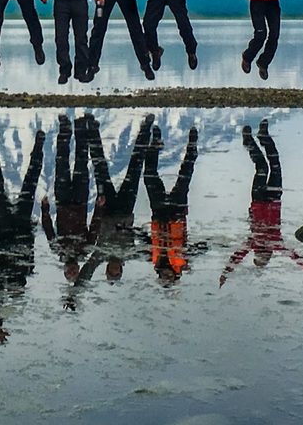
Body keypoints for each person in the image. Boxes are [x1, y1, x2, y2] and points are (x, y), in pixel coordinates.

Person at [219, 120, 303, 285]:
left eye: (262, 256)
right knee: (268, 166)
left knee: (268, 166)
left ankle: (256, 139)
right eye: (264, 256)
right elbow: (294, 257)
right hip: (267, 198)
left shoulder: (261, 242)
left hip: (264, 199)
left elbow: (238, 256)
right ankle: (259, 137)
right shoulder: (267, 242)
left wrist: (226, 272)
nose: (265, 254)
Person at [0, 121, 46, 343]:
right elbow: (30, 247)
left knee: (8, 180)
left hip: (7, 223)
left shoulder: (10, 277)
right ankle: (36, 144)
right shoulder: (21, 273)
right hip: (14, 222)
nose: (12, 291)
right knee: (4, 179)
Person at [85, 112, 155, 283]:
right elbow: (148, 249)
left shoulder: (100, 255)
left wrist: (75, 293)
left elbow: (87, 270)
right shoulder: (129, 254)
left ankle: (92, 128)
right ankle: (146, 128)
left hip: (106, 209)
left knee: (100, 169)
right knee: (135, 167)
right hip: (125, 208)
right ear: (121, 269)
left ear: (107, 268)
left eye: (111, 271)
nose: (114, 268)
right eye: (117, 272)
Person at [41, 114, 99, 303]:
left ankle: (65, 128)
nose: (72, 270)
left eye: (69, 273)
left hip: (63, 200)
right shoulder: (85, 250)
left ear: (65, 270)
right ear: (78, 269)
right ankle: (81, 128)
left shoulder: (57, 249)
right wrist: (99, 209)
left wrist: (45, 210)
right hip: (81, 201)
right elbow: (95, 228)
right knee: (82, 161)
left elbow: (48, 229)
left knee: (61, 162)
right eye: (75, 272)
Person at [143, 123, 204, 285]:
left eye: (163, 278)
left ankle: (155, 142)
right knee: (185, 174)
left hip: (158, 211)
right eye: (169, 278)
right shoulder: (182, 261)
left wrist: (128, 232)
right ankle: (192, 145)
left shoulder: (153, 259)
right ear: (175, 276)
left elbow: (145, 241)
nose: (166, 276)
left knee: (149, 175)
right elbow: (201, 248)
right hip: (177, 212)